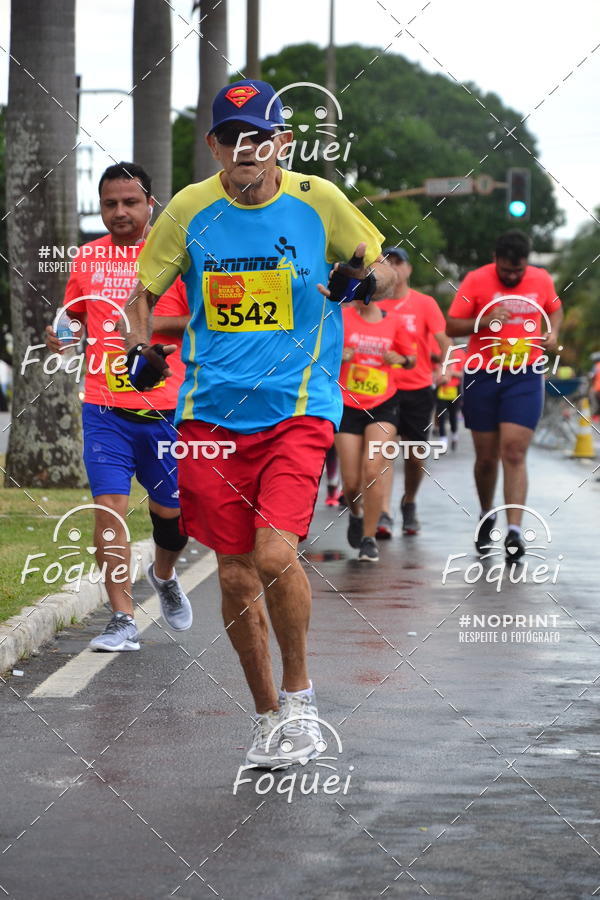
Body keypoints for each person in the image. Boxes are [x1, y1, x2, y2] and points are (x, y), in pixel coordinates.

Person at [123, 79, 395, 768]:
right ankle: (268, 716)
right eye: (232, 137)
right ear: (214, 145)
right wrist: (140, 351)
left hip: (299, 406)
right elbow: (141, 295)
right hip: (209, 416)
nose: (246, 148)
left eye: (260, 137)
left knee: (275, 555)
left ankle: (302, 703)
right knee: (235, 573)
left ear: (282, 143)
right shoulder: (189, 209)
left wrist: (364, 283)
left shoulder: (318, 200)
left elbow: (386, 270)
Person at [45, 162, 192, 651]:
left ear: (151, 203)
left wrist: (144, 327)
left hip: (166, 410)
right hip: (104, 408)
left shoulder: (176, 255)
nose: (120, 212)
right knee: (109, 509)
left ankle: (164, 575)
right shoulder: (87, 257)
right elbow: (73, 318)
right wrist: (62, 335)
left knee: (172, 516)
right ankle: (122, 618)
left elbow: (201, 319)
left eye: (131, 202)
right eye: (110, 204)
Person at [446, 230, 563, 559]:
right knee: (486, 458)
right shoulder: (475, 280)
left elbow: (555, 308)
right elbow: (451, 325)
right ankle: (487, 513)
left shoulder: (541, 279)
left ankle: (514, 531)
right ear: (495, 259)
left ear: (527, 263)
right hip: (482, 373)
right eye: (506, 271)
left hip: (524, 374)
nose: (512, 276)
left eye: (518, 271)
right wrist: (483, 321)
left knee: (513, 451)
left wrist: (553, 332)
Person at [376, 247, 451, 537]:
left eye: (399, 262)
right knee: (383, 451)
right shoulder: (372, 302)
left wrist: (445, 368)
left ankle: (409, 502)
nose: (393, 267)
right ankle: (383, 513)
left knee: (415, 455)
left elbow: (444, 341)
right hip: (382, 388)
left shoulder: (424, 303)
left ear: (408, 269)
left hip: (417, 388)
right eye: (387, 262)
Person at [336, 295, 414, 561]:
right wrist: (339, 355)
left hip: (383, 404)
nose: (359, 297)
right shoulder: (341, 318)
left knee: (372, 468)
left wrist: (400, 359)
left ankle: (369, 539)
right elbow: (320, 353)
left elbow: (411, 359)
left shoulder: (394, 322)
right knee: (351, 483)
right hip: (348, 403)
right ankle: (356, 514)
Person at [435, 344, 466, 450]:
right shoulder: (440, 352)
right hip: (442, 389)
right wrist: (440, 376)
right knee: (441, 414)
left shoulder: (460, 353)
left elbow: (464, 374)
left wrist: (452, 373)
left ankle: (454, 434)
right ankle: (442, 439)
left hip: (455, 389)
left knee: (453, 415)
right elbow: (435, 371)